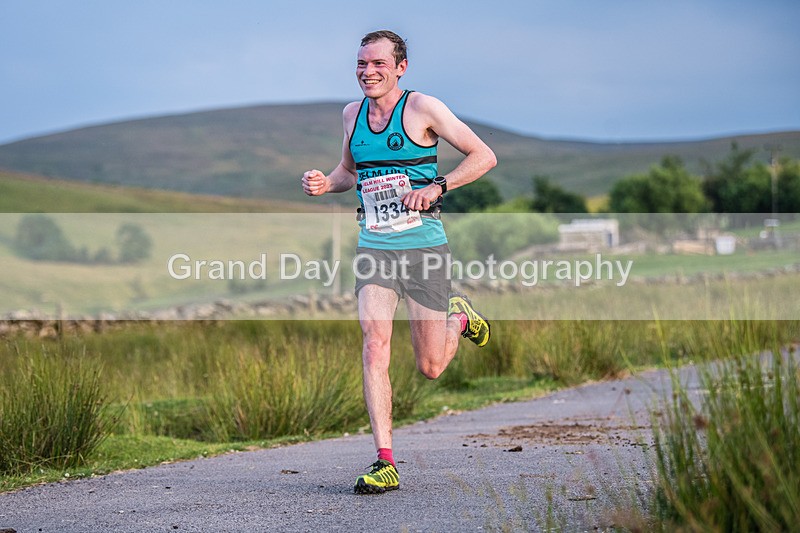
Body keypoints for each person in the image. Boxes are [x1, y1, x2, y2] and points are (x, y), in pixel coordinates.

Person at [301, 29, 497, 495]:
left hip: (423, 246)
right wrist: (325, 183)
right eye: (361, 64)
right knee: (374, 342)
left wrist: (438, 187)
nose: (368, 72)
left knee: (430, 366)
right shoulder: (352, 115)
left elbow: (484, 155)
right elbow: (350, 171)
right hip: (375, 246)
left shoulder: (423, 108)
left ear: (400, 67)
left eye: (378, 64)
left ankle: (457, 316)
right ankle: (385, 460)